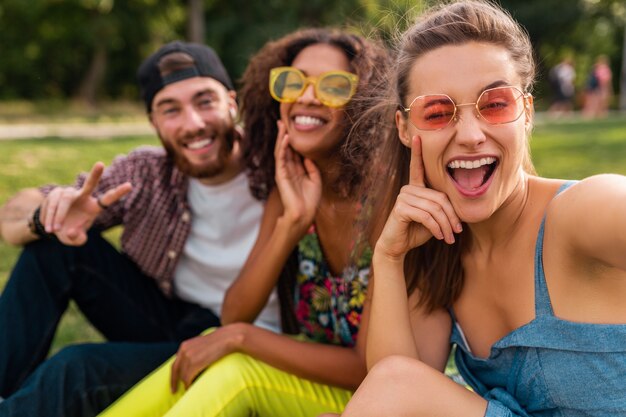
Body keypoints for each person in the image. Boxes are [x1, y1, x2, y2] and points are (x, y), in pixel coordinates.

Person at [326, 1, 626, 416]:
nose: (469, 135)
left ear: (526, 113)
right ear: (404, 128)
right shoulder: (438, 250)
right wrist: (390, 257)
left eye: (495, 104)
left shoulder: (583, 211)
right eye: (437, 113)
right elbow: (394, 391)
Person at [97, 27, 390, 417]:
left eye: (333, 86)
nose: (305, 97)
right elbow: (235, 314)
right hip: (312, 385)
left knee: (236, 366)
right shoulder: (290, 190)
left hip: (380, 399)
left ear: (365, 102)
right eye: (292, 82)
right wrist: (291, 225)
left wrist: (240, 338)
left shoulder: (386, 200)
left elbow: (366, 366)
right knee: (210, 347)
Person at [0, 41, 281, 416]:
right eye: (171, 110)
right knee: (53, 246)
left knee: (76, 369)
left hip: (251, 340)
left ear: (232, 102)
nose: (193, 123)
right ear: (153, 122)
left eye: (205, 101)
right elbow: (10, 216)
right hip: (170, 320)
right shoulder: (146, 173)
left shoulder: (280, 168)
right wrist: (47, 214)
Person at [582, 54, 613, 118]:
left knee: (595, 101)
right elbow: (605, 80)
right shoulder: (604, 69)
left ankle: (594, 114)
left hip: (595, 88)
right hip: (600, 87)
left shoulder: (596, 69)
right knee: (600, 101)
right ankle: (600, 114)